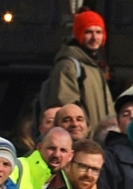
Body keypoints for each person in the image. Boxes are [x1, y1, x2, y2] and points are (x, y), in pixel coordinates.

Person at [46, 11, 114, 141]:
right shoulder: (68, 65)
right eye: (88, 32)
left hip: (98, 143)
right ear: (78, 34)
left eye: (99, 32)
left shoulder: (95, 65)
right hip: (82, 144)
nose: (95, 37)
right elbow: (65, 109)